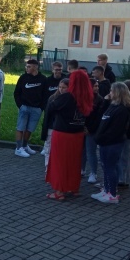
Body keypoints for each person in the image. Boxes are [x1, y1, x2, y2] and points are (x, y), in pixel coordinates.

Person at [45, 71, 93, 200]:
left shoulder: (67, 97)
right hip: (77, 133)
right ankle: (73, 187)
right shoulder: (87, 97)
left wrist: (58, 94)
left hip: (63, 133)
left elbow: (51, 107)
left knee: (60, 162)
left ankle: (59, 191)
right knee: (74, 162)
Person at [91, 82, 130, 204]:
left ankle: (112, 194)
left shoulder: (122, 110)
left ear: (118, 92)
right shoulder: (113, 105)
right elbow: (101, 117)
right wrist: (105, 101)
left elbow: (116, 130)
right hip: (105, 142)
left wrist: (102, 138)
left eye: (112, 90)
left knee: (110, 167)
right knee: (105, 167)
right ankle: (106, 190)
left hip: (112, 143)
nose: (109, 93)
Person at [13, 59, 49, 157]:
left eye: (29, 66)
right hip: (24, 107)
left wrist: (41, 108)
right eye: (26, 66)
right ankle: (18, 148)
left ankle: (24, 146)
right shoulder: (23, 77)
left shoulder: (43, 79)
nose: (27, 68)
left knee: (30, 129)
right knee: (20, 127)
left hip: (36, 109)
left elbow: (45, 95)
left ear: (35, 67)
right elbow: (16, 93)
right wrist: (20, 105)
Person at [41, 78, 69, 168]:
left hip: (62, 128)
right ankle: (47, 167)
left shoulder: (70, 100)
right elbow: (47, 114)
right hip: (51, 126)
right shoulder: (53, 98)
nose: (61, 89)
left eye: (64, 87)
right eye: (60, 87)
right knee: (48, 148)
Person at [83, 78, 104, 183]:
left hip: (92, 130)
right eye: (95, 86)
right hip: (82, 128)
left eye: (97, 86)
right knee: (82, 150)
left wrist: (89, 129)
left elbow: (98, 117)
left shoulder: (99, 100)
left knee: (91, 151)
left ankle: (93, 173)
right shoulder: (83, 98)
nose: (97, 88)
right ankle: (82, 169)